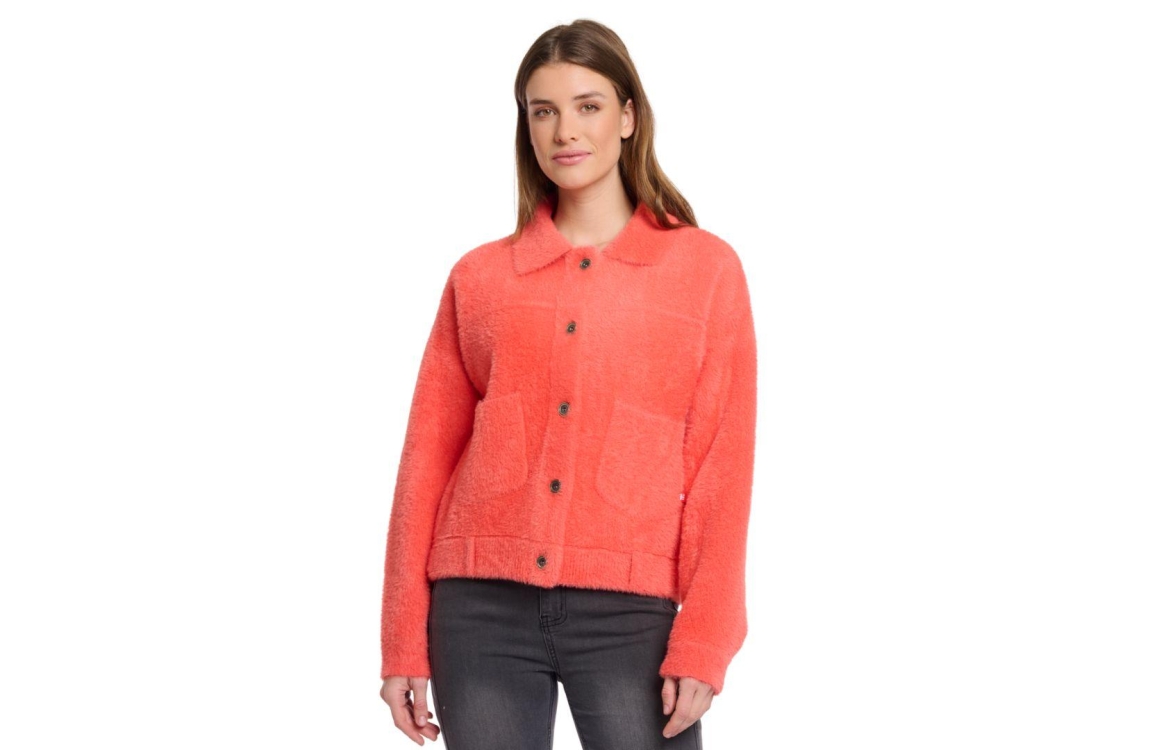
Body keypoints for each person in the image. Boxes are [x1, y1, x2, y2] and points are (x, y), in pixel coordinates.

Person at [379, 18, 757, 749]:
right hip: (478, 610)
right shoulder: (480, 277)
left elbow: (723, 461)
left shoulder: (703, 270)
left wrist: (707, 638)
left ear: (628, 117)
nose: (564, 131)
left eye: (588, 105)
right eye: (542, 111)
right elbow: (425, 459)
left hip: (631, 612)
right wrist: (401, 641)